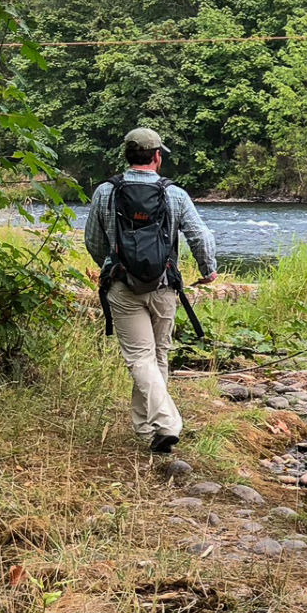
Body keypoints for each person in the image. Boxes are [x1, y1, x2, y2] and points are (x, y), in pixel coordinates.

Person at [83, 127, 218, 454]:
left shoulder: (105, 192)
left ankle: (158, 425)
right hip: (164, 286)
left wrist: (112, 265)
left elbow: (93, 240)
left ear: (127, 155)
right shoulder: (174, 194)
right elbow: (199, 236)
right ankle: (159, 426)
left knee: (141, 358)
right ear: (157, 157)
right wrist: (208, 269)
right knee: (156, 356)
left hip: (122, 287)